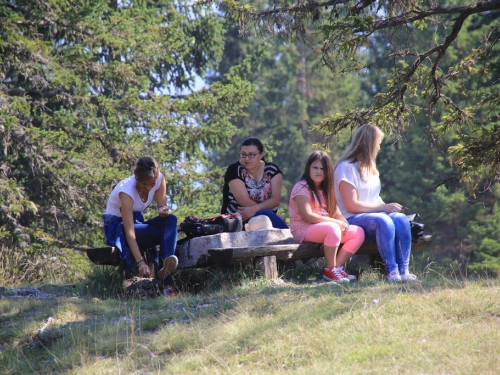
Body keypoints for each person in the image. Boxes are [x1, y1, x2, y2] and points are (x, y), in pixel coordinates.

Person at [334, 124, 418, 282]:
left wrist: (390, 209)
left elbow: (374, 198)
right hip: (352, 219)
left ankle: (404, 271)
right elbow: (352, 205)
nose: (379, 148)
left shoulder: (371, 168)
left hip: (372, 216)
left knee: (400, 219)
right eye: (378, 143)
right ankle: (392, 271)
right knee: (384, 221)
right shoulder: (346, 168)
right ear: (369, 144)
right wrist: (384, 208)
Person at [102, 156, 179, 296]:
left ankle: (166, 264)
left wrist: (163, 209)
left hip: (138, 224)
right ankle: (167, 282)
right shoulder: (126, 191)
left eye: (152, 184)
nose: (149, 188)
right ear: (137, 178)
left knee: (171, 220)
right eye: (145, 184)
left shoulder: (159, 179)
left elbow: (162, 206)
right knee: (164, 233)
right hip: (119, 229)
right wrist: (141, 262)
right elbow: (129, 233)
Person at [289, 150, 365, 282]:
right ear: (308, 168)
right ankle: (329, 270)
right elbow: (308, 216)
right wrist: (335, 223)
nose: (319, 172)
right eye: (315, 168)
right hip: (304, 228)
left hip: (324, 227)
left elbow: (336, 213)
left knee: (358, 232)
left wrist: (344, 223)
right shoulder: (301, 187)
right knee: (333, 228)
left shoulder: (326, 189)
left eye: (322, 169)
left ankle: (337, 268)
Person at [221, 137, 288, 229]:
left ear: (261, 155)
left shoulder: (272, 170)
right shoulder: (234, 170)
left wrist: (256, 209)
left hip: (267, 219)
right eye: (243, 154)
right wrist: (273, 216)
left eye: (251, 155)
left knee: (266, 215)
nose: (247, 158)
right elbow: (245, 202)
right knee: (266, 215)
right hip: (238, 220)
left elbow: (275, 200)